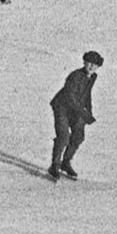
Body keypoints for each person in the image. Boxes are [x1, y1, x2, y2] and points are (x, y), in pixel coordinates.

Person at [49, 51, 102, 181]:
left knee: (78, 135)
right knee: (63, 137)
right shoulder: (75, 76)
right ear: (84, 62)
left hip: (76, 110)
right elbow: (69, 97)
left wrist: (89, 111)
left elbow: (86, 94)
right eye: (89, 63)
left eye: (94, 65)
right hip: (62, 107)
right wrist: (83, 113)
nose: (91, 67)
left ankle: (65, 162)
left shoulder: (93, 77)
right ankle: (55, 165)